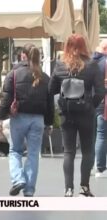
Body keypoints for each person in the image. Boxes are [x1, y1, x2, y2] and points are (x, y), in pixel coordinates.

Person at [49, 34, 104, 197]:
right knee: (87, 151)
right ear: (83, 46)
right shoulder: (92, 65)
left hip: (66, 113)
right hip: (86, 112)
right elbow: (100, 91)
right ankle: (84, 187)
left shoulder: (60, 65)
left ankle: (68, 188)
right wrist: (91, 105)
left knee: (69, 151)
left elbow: (51, 90)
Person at [0, 43, 54, 197]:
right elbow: (50, 104)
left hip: (19, 118)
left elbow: (6, 97)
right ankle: (29, 189)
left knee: (15, 150)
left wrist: (1, 117)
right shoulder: (45, 77)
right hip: (38, 120)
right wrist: (49, 122)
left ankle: (18, 179)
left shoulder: (14, 74)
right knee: (33, 153)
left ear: (23, 55)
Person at [93, 39, 107, 178]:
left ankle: (94, 165)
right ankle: (101, 167)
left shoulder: (93, 62)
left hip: (93, 102)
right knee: (102, 134)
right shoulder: (105, 63)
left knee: (95, 135)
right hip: (104, 102)